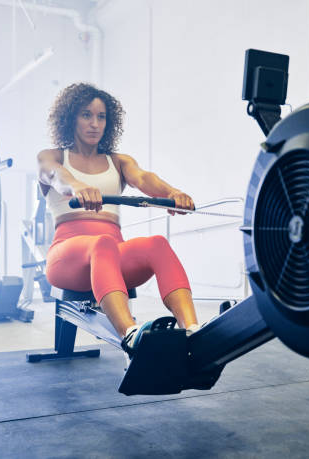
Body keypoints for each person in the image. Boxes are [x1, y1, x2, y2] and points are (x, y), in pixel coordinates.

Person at [38, 82, 200, 355]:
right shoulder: (52, 156)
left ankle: (193, 331)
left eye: (101, 117)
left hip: (112, 255)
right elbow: (56, 176)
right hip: (67, 259)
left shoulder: (119, 161)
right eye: (86, 115)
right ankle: (130, 334)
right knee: (102, 243)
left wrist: (173, 193)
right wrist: (78, 187)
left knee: (157, 244)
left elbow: (143, 179)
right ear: (70, 118)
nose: (94, 123)